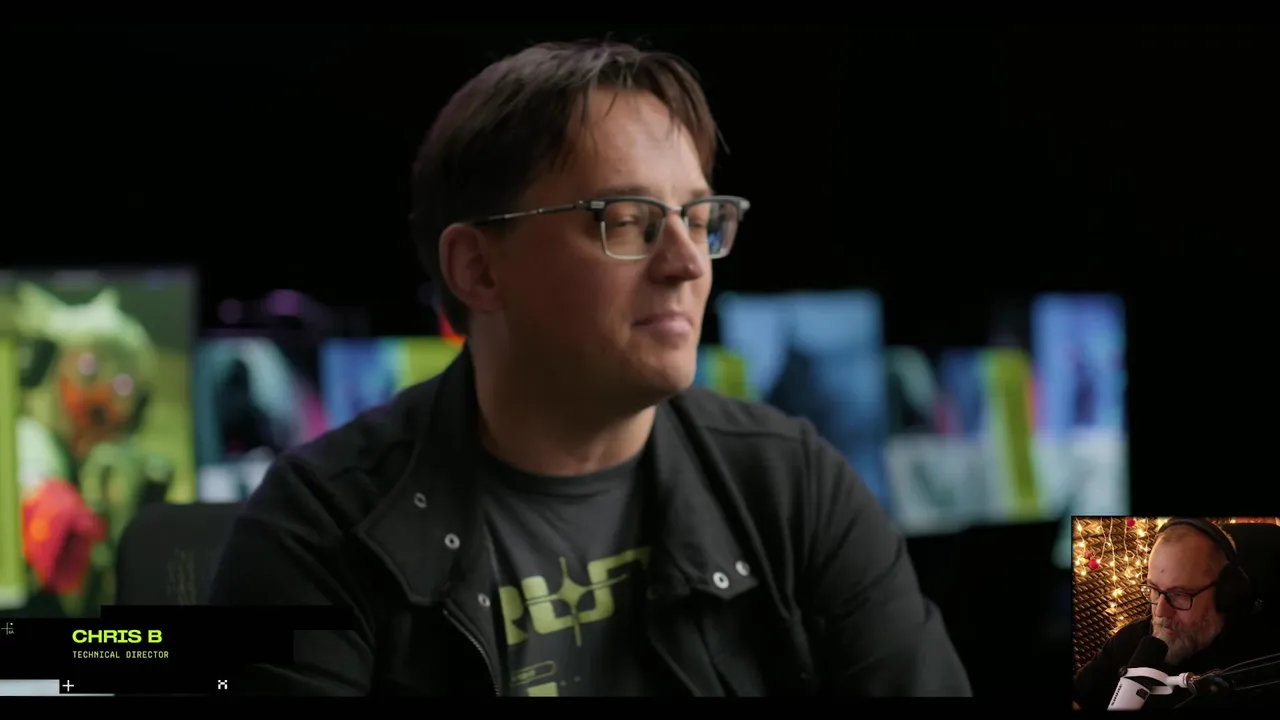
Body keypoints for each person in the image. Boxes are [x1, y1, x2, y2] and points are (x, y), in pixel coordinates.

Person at [208, 39, 970, 697]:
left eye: (701, 219)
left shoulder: (792, 485)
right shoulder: (317, 530)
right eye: (627, 221)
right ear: (479, 270)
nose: (687, 264)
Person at [1073, 518, 1279, 709]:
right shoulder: (1128, 641)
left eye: (1179, 594)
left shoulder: (1264, 658)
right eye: (1154, 590)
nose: (1160, 611)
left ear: (1225, 592)